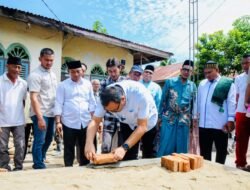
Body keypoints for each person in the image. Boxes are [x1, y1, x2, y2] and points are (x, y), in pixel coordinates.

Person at [85, 80, 158, 161]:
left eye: (115, 110)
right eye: (109, 111)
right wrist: (89, 142)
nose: (112, 112)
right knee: (127, 157)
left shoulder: (140, 95)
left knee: (149, 156)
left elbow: (142, 126)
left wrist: (124, 147)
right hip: (127, 122)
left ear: (123, 99)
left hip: (148, 123)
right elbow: (95, 121)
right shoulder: (104, 97)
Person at [54, 61, 96, 166]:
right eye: (73, 72)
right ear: (69, 72)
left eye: (78, 71)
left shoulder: (87, 84)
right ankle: (68, 168)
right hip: (69, 122)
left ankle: (84, 167)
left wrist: (95, 121)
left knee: (84, 147)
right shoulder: (63, 85)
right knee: (69, 148)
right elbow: (58, 103)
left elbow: (92, 102)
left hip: (85, 121)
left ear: (82, 71)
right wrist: (58, 122)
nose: (76, 74)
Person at [198, 60, 236, 164]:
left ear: (217, 70)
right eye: (205, 73)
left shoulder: (227, 83)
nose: (207, 75)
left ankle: (220, 175)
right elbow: (199, 101)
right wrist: (195, 117)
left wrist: (231, 119)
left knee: (221, 152)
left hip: (220, 125)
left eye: (209, 72)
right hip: (204, 125)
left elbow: (231, 103)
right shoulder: (202, 84)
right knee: (204, 153)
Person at [157, 60, 197, 157]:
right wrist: (159, 117)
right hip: (169, 118)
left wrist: (193, 121)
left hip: (184, 120)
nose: (186, 72)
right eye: (185, 69)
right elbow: (163, 100)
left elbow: (194, 105)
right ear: (181, 70)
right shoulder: (170, 82)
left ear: (191, 72)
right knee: (165, 144)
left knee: (182, 147)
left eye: (189, 71)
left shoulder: (193, 86)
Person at [28, 48, 57, 169]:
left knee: (49, 138)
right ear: (40, 59)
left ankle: (41, 158)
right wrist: (40, 118)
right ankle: (38, 163)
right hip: (41, 113)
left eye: (51, 60)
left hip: (51, 112)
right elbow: (33, 98)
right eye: (46, 60)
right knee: (39, 140)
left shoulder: (53, 74)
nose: (49, 63)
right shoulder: (35, 75)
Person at [0, 57, 27, 171]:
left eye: (19, 67)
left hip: (18, 120)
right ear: (7, 66)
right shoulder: (0, 81)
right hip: (2, 120)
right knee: (1, 147)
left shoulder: (23, 83)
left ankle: (18, 167)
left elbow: (24, 101)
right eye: (14, 66)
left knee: (20, 145)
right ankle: (4, 166)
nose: (17, 69)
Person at [100, 58, 126, 153]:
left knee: (120, 146)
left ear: (120, 68)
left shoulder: (126, 82)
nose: (113, 74)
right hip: (108, 119)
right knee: (105, 146)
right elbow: (102, 102)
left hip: (123, 120)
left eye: (115, 71)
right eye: (110, 71)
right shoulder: (104, 83)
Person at [235, 54, 250, 170]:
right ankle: (240, 163)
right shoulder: (239, 78)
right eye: (243, 63)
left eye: (247, 62)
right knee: (240, 139)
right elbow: (237, 95)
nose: (245, 65)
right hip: (241, 111)